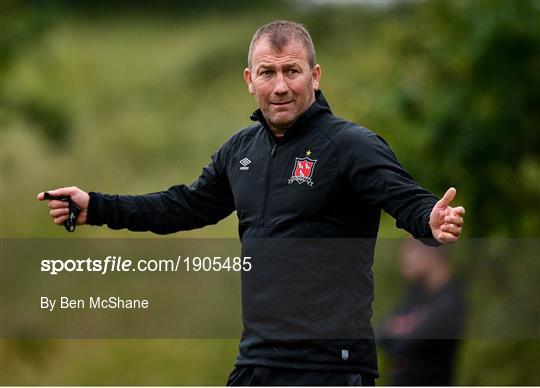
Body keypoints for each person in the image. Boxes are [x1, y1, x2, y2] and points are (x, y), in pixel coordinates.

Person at [38, 20, 465, 386]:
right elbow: (182, 206)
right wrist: (96, 206)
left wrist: (430, 218)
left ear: (315, 76)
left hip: (330, 366)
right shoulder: (240, 151)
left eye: (291, 71)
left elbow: (405, 198)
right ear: (250, 80)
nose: (280, 86)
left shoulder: (350, 146)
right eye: (268, 73)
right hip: (258, 362)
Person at [377, 239, 466, 386]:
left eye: (410, 252)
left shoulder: (449, 302)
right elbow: (381, 335)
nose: (404, 260)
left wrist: (399, 329)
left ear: (432, 253)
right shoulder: (416, 294)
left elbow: (404, 345)